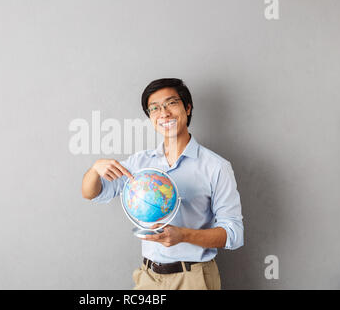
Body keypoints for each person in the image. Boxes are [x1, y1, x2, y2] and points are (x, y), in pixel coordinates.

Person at [81, 78, 244, 290]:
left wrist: (183, 235)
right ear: (150, 117)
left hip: (193, 279)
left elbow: (234, 234)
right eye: (155, 108)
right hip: (148, 277)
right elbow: (90, 193)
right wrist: (94, 170)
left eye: (171, 103)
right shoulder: (139, 163)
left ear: (187, 107)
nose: (164, 113)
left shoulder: (216, 166)